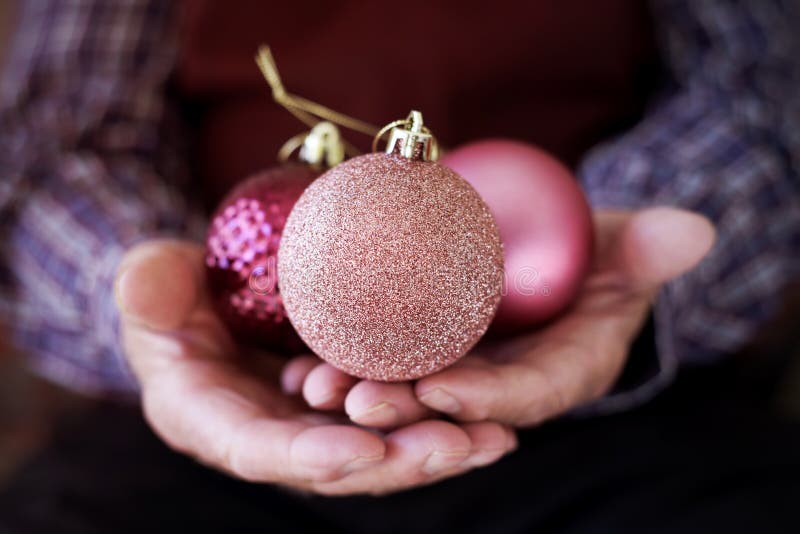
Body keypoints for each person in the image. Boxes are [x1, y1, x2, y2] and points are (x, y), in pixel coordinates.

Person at [0, 0, 799, 532]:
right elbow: (59, 141)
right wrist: (141, 297)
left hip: (623, 416)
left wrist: (617, 257)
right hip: (224, 385)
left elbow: (765, 95)